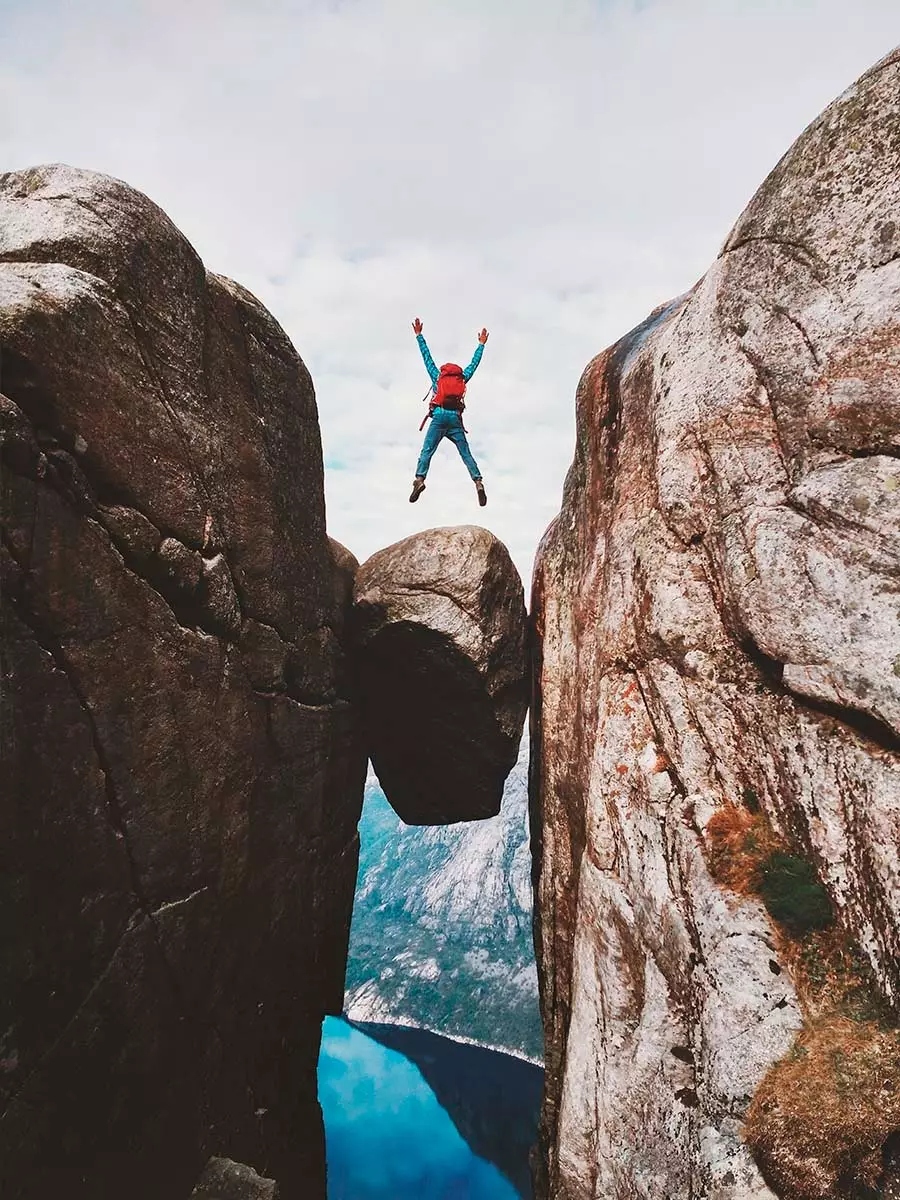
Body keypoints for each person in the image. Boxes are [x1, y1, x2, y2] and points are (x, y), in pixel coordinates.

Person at [409, 317, 489, 506]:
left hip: (438, 417)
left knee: (426, 451)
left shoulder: (437, 377)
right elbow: (474, 364)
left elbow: (426, 356)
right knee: (465, 453)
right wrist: (481, 345)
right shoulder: (462, 377)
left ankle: (420, 480)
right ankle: (478, 482)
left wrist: (419, 335)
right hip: (454, 419)